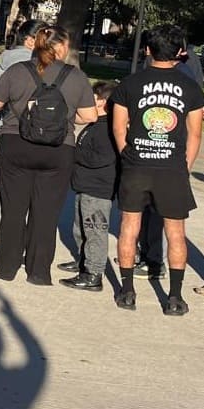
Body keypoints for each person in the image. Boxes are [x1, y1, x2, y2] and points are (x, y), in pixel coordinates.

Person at [0, 24, 96, 283]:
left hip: (16, 144)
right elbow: (89, 115)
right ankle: (38, 270)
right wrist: (65, 118)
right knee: (46, 213)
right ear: (62, 47)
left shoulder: (18, 70)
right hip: (59, 148)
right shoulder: (76, 76)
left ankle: (7, 266)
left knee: (13, 209)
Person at [110, 23, 204, 314]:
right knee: (175, 231)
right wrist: (184, 166)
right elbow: (195, 133)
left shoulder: (130, 84)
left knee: (129, 226)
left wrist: (128, 155)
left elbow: (118, 127)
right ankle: (174, 297)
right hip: (172, 167)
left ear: (148, 50)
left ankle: (127, 291)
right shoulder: (191, 87)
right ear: (179, 52)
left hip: (137, 164)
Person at [0, 20, 45, 255]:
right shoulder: (28, 63)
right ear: (30, 40)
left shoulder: (5, 58)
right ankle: (10, 241)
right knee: (20, 193)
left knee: (0, 188)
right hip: (17, 130)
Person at [58, 81, 118, 291]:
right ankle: (83, 261)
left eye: (92, 97)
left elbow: (101, 158)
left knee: (94, 232)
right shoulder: (95, 124)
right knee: (80, 229)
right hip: (85, 186)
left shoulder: (107, 129)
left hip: (97, 190)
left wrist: (74, 154)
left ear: (102, 102)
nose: (87, 101)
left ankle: (93, 273)